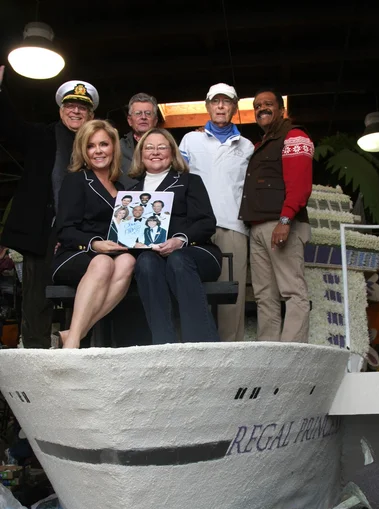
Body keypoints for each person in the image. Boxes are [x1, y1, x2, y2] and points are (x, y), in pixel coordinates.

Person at [0, 65, 98, 348]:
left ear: (91, 114)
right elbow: (9, 124)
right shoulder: (41, 136)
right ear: (60, 110)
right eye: (70, 105)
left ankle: (80, 350)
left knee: (85, 292)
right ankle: (36, 354)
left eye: (82, 107)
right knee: (37, 298)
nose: (76, 111)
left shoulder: (98, 142)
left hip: (84, 233)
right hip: (44, 230)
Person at [128, 128, 222, 344]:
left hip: (195, 252)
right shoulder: (132, 192)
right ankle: (162, 344)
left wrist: (179, 240)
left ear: (172, 152)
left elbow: (207, 223)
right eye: (149, 147)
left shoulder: (189, 181)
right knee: (146, 262)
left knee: (178, 259)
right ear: (140, 154)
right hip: (153, 256)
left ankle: (202, 344)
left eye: (162, 147)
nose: (155, 152)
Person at [179, 83, 254, 342]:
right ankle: (198, 351)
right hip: (195, 228)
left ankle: (231, 355)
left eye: (227, 101)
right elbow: (179, 181)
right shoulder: (190, 139)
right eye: (216, 101)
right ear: (207, 106)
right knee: (193, 292)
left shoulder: (247, 146)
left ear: (234, 107)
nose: (221, 106)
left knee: (231, 300)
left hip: (232, 226)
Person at [52, 120, 136, 349]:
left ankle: (72, 334)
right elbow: (65, 229)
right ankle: (73, 345)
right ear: (83, 151)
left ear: (113, 148)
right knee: (102, 263)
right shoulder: (76, 180)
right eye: (91, 146)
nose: (98, 151)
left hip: (110, 255)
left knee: (128, 260)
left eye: (103, 144)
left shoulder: (122, 189)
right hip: (75, 253)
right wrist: (94, 244)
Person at [239, 88, 314, 343]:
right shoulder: (262, 144)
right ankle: (269, 352)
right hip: (258, 228)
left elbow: (300, 186)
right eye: (257, 106)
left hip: (282, 224)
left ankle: (293, 352)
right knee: (264, 296)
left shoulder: (294, 136)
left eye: (268, 104)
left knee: (293, 291)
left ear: (282, 110)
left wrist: (285, 221)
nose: (262, 109)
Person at [120, 93, 158, 175]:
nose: (143, 117)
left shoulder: (167, 146)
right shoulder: (119, 147)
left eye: (148, 113)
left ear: (155, 120)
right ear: (130, 121)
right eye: (138, 113)